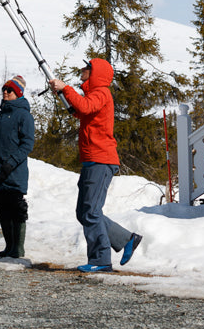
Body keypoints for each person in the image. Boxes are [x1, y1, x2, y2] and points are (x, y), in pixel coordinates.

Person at [49, 58, 142, 273]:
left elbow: (85, 106)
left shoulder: (101, 93)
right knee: (84, 212)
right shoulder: (95, 94)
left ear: (95, 73)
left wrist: (66, 88)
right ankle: (127, 239)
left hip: (101, 159)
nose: (82, 70)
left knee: (90, 211)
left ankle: (101, 260)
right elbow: (81, 110)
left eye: (86, 68)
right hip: (93, 159)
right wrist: (63, 94)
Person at [0, 74, 35, 260]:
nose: (5, 92)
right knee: (1, 208)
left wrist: (11, 163)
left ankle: (18, 249)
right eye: (4, 89)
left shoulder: (24, 116)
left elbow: (27, 144)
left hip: (14, 173)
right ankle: (9, 247)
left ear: (17, 93)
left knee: (16, 208)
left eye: (9, 90)